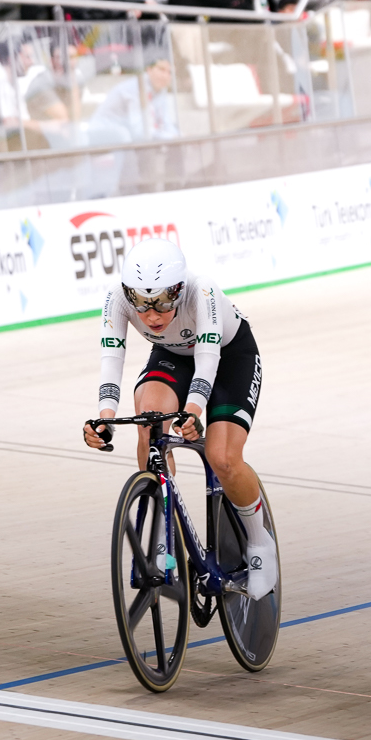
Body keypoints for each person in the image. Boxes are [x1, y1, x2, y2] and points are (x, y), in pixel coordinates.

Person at [83, 237, 274, 597]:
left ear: (178, 291)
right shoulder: (116, 297)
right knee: (148, 424)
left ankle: (259, 542)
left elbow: (208, 360)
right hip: (173, 355)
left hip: (230, 356)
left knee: (223, 457)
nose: (151, 316)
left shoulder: (202, 292)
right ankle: (160, 526)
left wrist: (193, 411)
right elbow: (112, 360)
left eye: (160, 305)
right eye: (141, 305)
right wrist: (103, 418)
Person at [87, 57, 177, 142]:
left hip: (126, 132)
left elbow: (165, 121)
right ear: (149, 70)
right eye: (161, 70)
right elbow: (140, 131)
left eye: (170, 72)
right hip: (102, 132)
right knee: (124, 135)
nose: (165, 76)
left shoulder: (160, 89)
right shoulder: (137, 87)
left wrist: (177, 137)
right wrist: (169, 137)